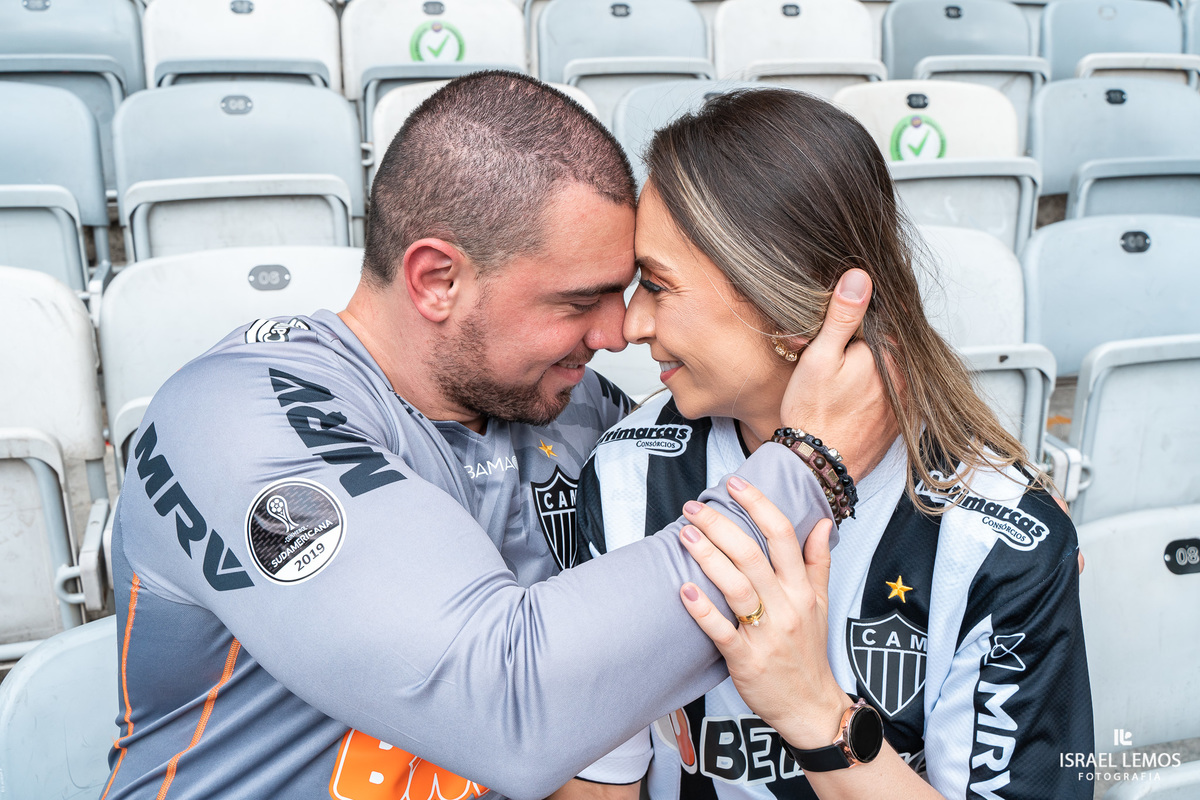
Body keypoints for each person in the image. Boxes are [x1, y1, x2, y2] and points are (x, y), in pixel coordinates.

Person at [100, 72, 898, 800]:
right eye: (578, 301)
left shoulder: (586, 418)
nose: (618, 331)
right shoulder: (233, 417)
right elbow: (509, 710)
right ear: (437, 280)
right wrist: (807, 464)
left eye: (632, 289)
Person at [574, 88, 1093, 799]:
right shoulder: (627, 475)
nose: (630, 326)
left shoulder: (1003, 540)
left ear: (792, 305)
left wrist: (811, 711)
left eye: (659, 287)